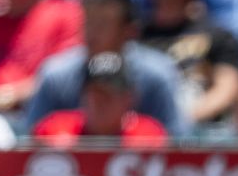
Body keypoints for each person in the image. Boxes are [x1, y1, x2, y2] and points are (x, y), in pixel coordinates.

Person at [23, 0, 185, 136]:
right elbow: (31, 142)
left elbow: (176, 141)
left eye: (102, 24)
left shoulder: (157, 76)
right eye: (88, 23)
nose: (92, 33)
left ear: (129, 31)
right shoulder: (55, 75)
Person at [31, 50, 169, 147]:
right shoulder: (53, 130)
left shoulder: (149, 136)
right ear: (82, 95)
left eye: (112, 93)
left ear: (129, 98)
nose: (102, 101)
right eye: (97, 92)